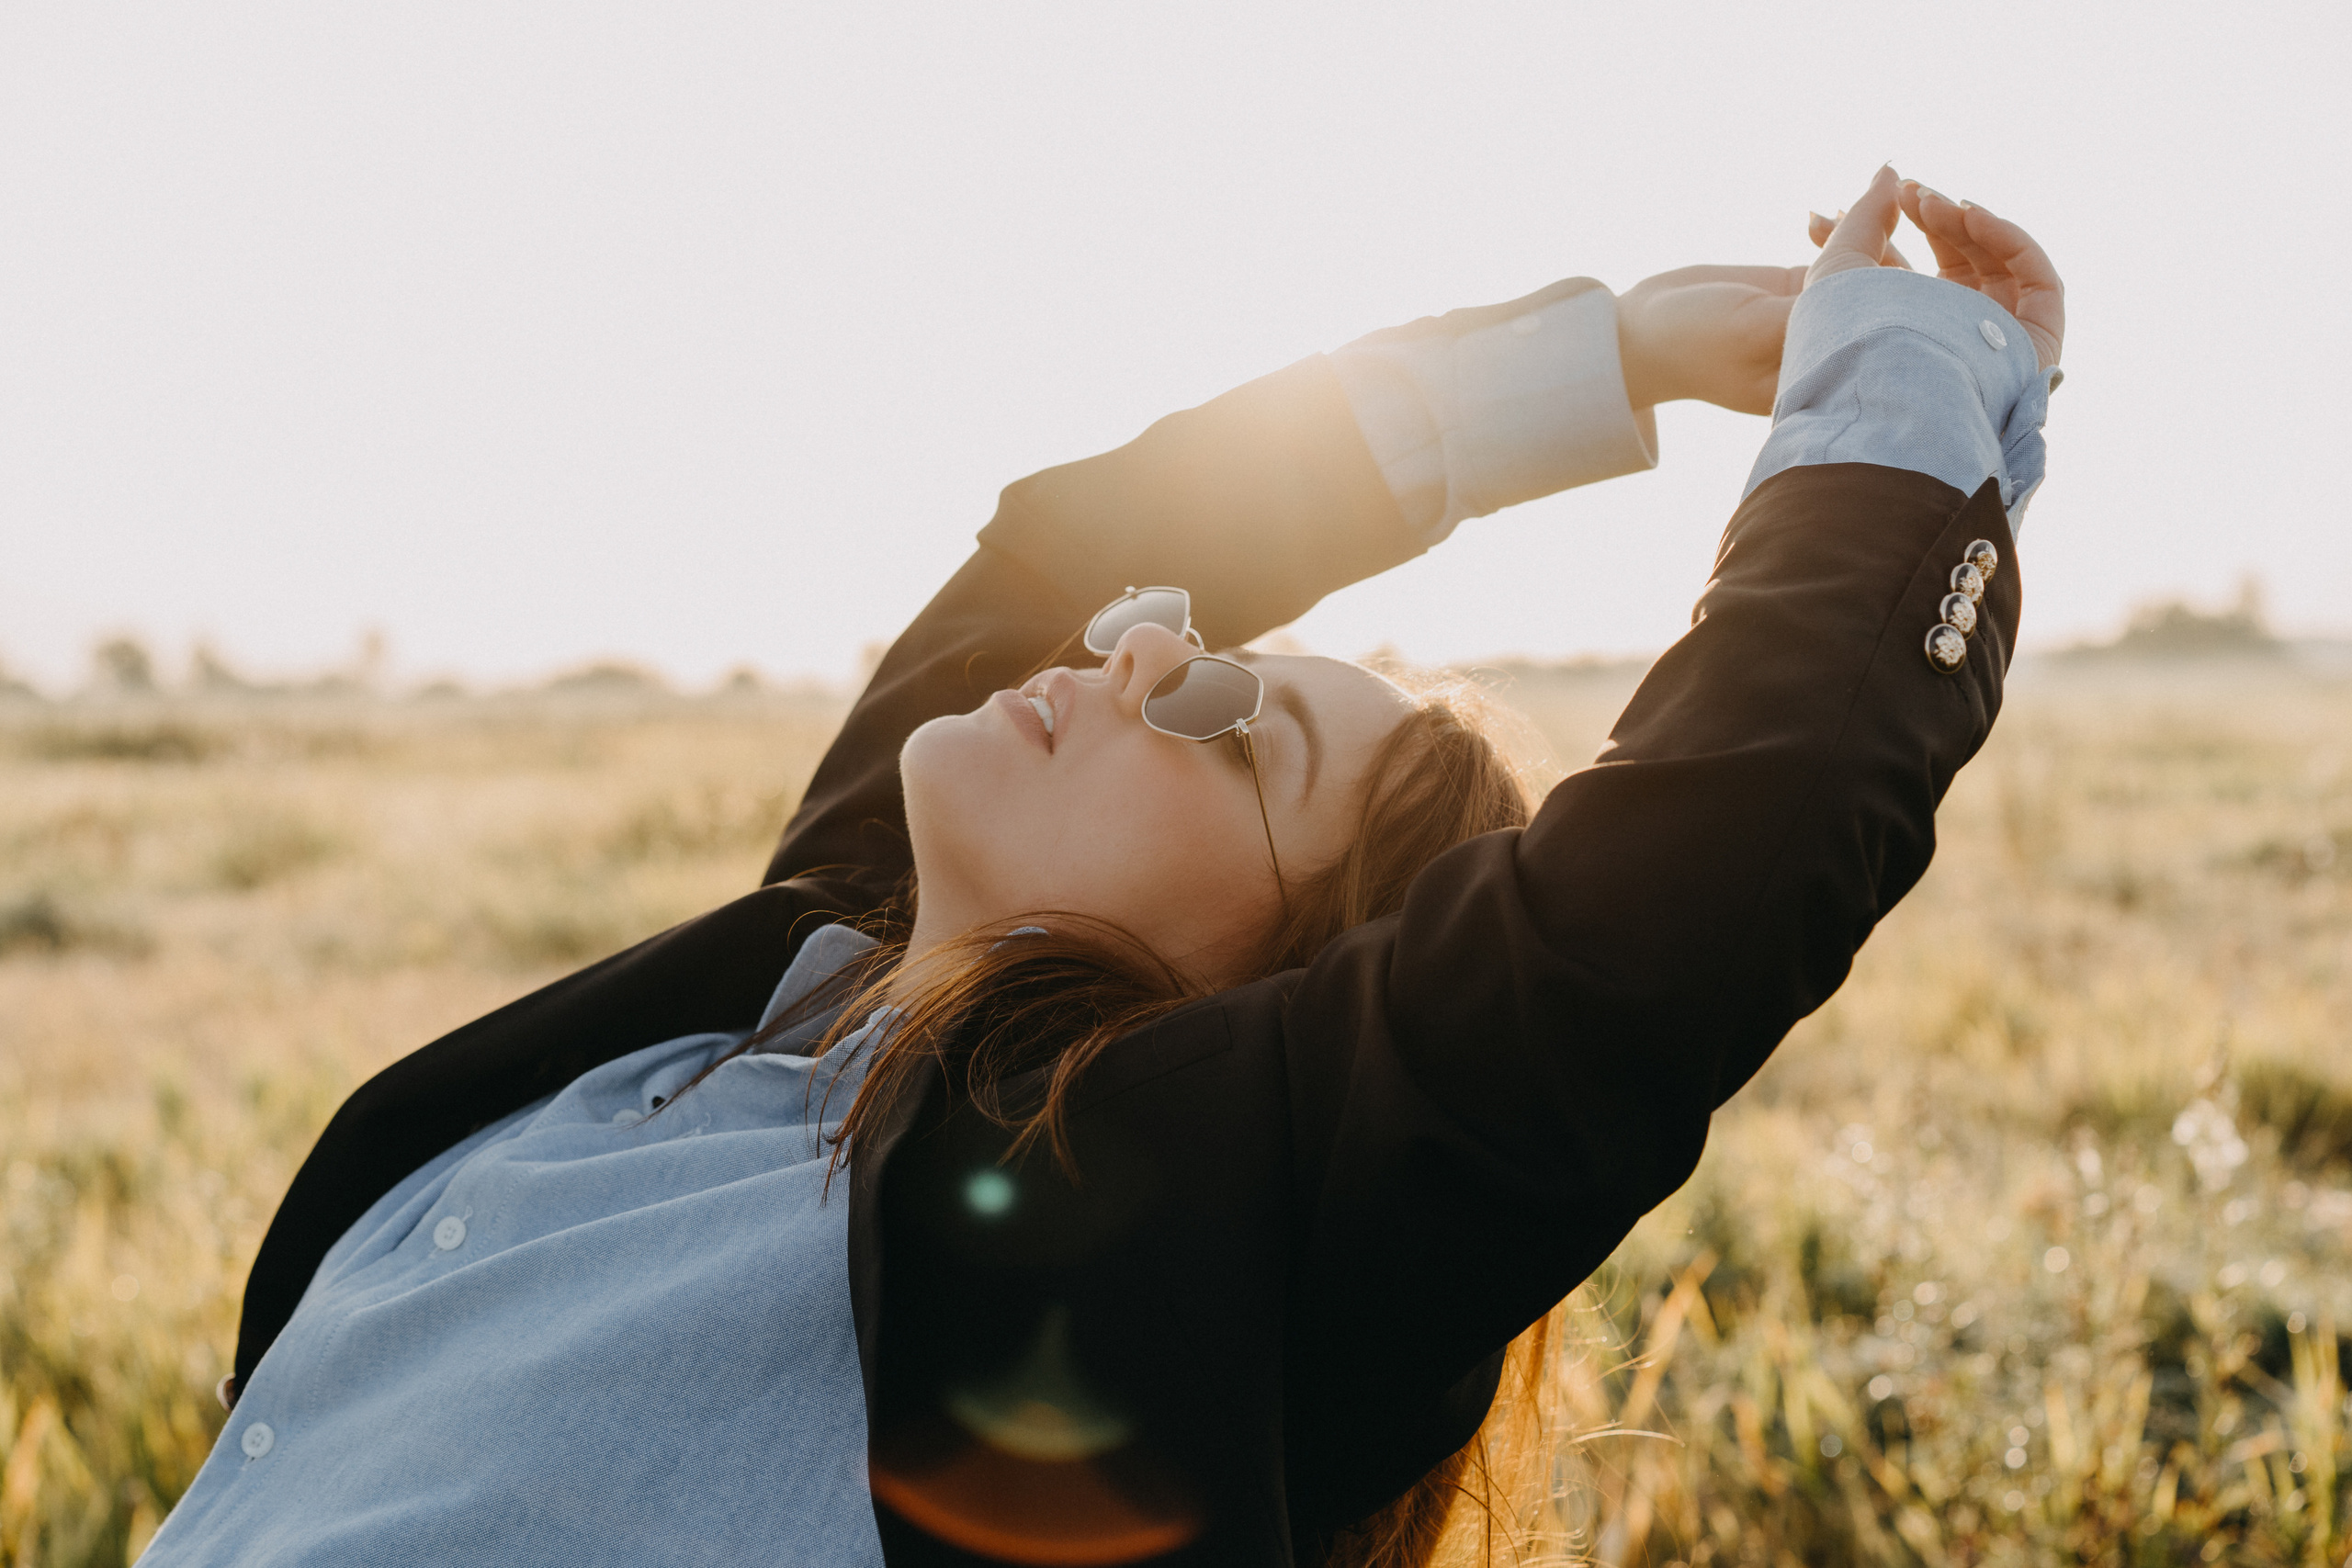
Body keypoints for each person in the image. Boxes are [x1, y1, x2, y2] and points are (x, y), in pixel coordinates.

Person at [142, 165, 2064, 1567]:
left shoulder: (1191, 1222)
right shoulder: (802, 979)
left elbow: (1749, 803)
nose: (1134, 648)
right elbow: (1074, 556)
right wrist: (1627, 349)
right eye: (1170, 630)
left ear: (1289, 984)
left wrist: (1908, 369)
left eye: (1230, 706)